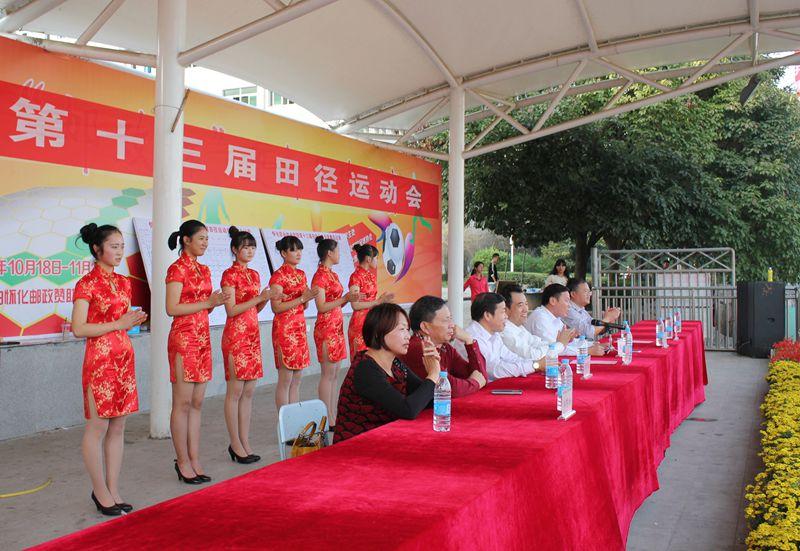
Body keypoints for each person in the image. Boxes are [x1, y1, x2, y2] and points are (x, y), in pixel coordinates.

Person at [72, 223, 147, 516]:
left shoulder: (124, 282)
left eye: (121, 246)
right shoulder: (86, 284)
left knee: (118, 426)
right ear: (97, 249)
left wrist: (132, 320)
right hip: (100, 361)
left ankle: (113, 489)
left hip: (123, 358)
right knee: (98, 427)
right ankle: (100, 490)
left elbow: (121, 321)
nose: (119, 252)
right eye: (114, 246)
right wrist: (119, 323)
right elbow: (79, 328)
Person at [166, 220, 229, 484]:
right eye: (201, 238)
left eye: (207, 239)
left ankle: (194, 458)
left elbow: (205, 306)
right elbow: (172, 308)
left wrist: (214, 303)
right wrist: (206, 302)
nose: (205, 243)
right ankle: (182, 461)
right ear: (186, 240)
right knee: (182, 403)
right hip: (184, 339)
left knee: (197, 403)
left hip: (202, 338)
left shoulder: (204, 269)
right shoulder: (176, 269)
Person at [334, 303, 439, 443]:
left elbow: (429, 401)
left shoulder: (396, 364)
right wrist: (432, 375)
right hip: (356, 446)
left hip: (384, 439)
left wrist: (435, 367)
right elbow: (408, 410)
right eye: (402, 329)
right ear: (379, 332)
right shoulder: (365, 369)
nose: (408, 336)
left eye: (407, 330)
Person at [220, 227, 276, 464]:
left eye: (253, 247)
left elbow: (255, 308)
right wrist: (259, 298)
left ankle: (244, 441)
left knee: (249, 391)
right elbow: (231, 310)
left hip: (252, 335)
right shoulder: (229, 275)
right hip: (236, 336)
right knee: (235, 392)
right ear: (235, 249)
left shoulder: (254, 274)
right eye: (246, 247)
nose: (250, 251)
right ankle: (235, 443)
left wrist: (264, 299)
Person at [311, 237, 360, 433]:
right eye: (337, 251)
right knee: (327, 373)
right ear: (329, 253)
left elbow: (338, 301)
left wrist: (349, 298)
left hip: (337, 326)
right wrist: (345, 298)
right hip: (326, 328)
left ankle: (332, 414)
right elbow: (321, 306)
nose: (339, 254)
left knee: (334, 373)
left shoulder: (333, 274)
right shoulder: (319, 276)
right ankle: (325, 418)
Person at [400, 295, 487, 398]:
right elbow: (448, 388)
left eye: (451, 319)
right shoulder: (419, 348)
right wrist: (476, 383)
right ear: (425, 327)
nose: (452, 325)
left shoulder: (444, 347)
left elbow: (480, 375)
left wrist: (469, 341)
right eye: (446, 320)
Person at [269, 235, 319, 413]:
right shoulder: (278, 276)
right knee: (285, 379)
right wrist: (302, 299)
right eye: (293, 250)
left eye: (300, 250)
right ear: (283, 253)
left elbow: (304, 305)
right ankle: (285, 422)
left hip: (299, 327)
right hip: (285, 329)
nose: (298, 253)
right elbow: (276, 307)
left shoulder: (301, 274)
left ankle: (295, 419)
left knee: (297, 378)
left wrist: (307, 298)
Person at [465, 292, 537, 380]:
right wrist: (535, 365)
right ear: (487, 315)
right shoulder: (473, 337)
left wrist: (534, 364)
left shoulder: (494, 333)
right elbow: (495, 371)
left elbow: (511, 357)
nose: (506, 316)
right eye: (503, 312)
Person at [499, 283, 573, 364]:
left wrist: (557, 344)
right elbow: (534, 357)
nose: (526, 309)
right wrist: (560, 344)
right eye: (520, 305)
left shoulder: (519, 327)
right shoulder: (505, 332)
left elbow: (538, 343)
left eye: (526, 304)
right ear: (506, 309)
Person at [525, 284, 605, 356]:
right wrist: (586, 351)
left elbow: (567, 344)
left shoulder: (555, 318)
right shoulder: (540, 318)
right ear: (553, 301)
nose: (569, 306)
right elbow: (554, 349)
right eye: (566, 301)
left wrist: (593, 344)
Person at [347, 244, 394, 361]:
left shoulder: (371, 276)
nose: (377, 261)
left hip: (372, 320)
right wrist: (377, 302)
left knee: (372, 359)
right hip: (360, 324)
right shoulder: (355, 277)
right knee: (360, 360)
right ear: (368, 259)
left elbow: (373, 300)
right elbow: (355, 305)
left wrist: (381, 301)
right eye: (376, 258)